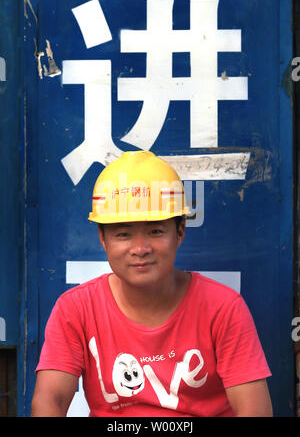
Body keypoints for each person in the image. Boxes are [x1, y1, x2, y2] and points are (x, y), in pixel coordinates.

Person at [31, 150, 272, 417]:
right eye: (123, 234)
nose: (140, 248)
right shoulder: (75, 309)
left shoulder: (223, 307)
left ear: (180, 231)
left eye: (156, 231)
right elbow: (49, 400)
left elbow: (255, 410)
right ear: (103, 238)